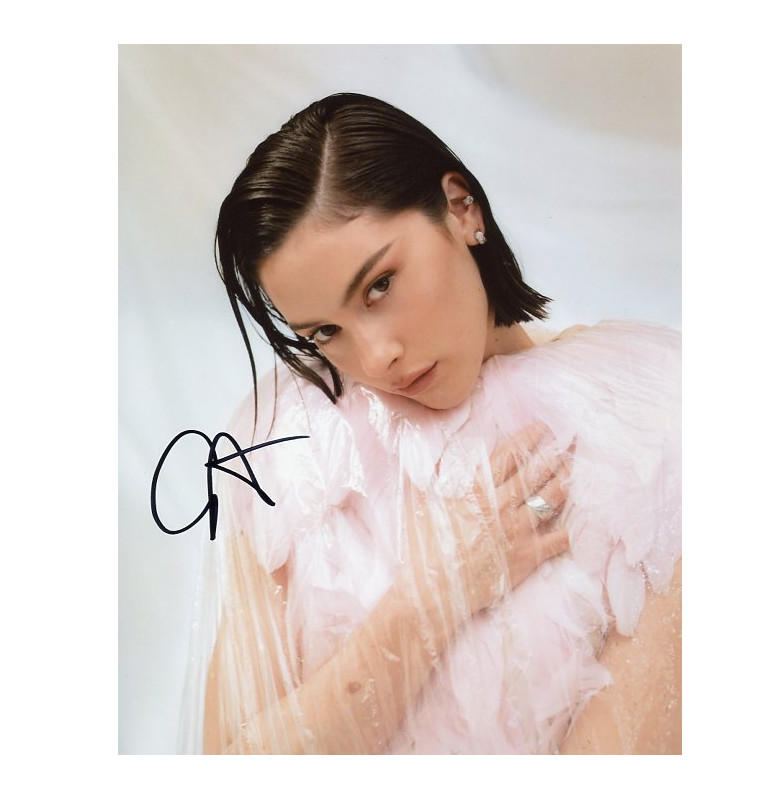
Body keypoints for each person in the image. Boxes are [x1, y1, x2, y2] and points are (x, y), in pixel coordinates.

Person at [178, 93, 681, 755]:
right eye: (324, 331)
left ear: (462, 209)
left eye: (380, 285)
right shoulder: (289, 446)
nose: (376, 357)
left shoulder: (647, 424)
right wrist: (434, 594)